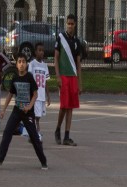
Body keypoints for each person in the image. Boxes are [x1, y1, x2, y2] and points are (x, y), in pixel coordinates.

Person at [0, 55, 47, 170]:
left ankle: (43, 161)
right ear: (16, 64)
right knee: (7, 132)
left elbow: (35, 94)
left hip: (28, 112)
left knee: (34, 137)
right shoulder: (15, 78)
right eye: (19, 62)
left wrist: (30, 106)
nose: (21, 64)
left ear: (26, 64)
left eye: (23, 62)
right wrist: (3, 109)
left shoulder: (29, 77)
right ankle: (0, 158)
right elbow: (10, 95)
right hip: (17, 110)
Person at [54, 14, 82, 146]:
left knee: (71, 107)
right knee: (64, 106)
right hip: (64, 76)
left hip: (73, 77)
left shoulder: (77, 42)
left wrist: (79, 83)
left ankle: (66, 136)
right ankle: (58, 129)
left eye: (72, 24)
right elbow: (56, 57)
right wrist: (58, 76)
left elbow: (78, 63)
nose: (70, 26)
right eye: (68, 24)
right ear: (66, 24)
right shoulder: (60, 37)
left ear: (75, 24)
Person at [25, 42, 51, 141]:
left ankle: (32, 133)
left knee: (38, 116)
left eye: (43, 50)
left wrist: (48, 96)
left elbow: (46, 82)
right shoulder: (32, 64)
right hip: (35, 95)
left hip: (42, 96)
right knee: (35, 116)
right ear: (35, 52)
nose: (41, 52)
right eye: (39, 50)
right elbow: (30, 79)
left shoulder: (45, 65)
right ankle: (36, 133)